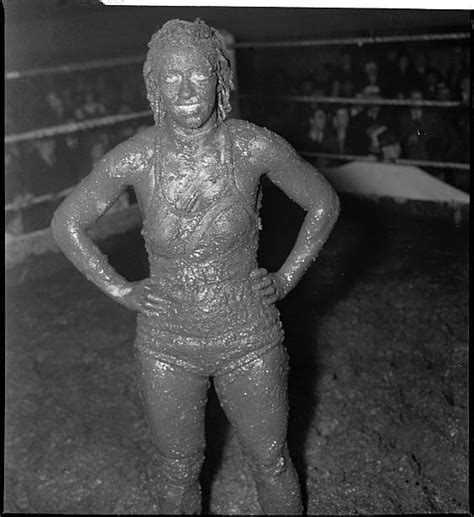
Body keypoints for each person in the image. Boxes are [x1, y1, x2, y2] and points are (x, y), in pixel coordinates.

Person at [51, 19, 340, 515]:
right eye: (171, 76)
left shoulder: (249, 146)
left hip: (247, 334)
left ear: (219, 78)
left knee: (270, 461)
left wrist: (288, 276)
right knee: (176, 467)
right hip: (167, 343)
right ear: (154, 85)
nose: (185, 88)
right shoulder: (139, 156)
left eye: (198, 75)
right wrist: (119, 290)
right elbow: (67, 222)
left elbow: (323, 202)